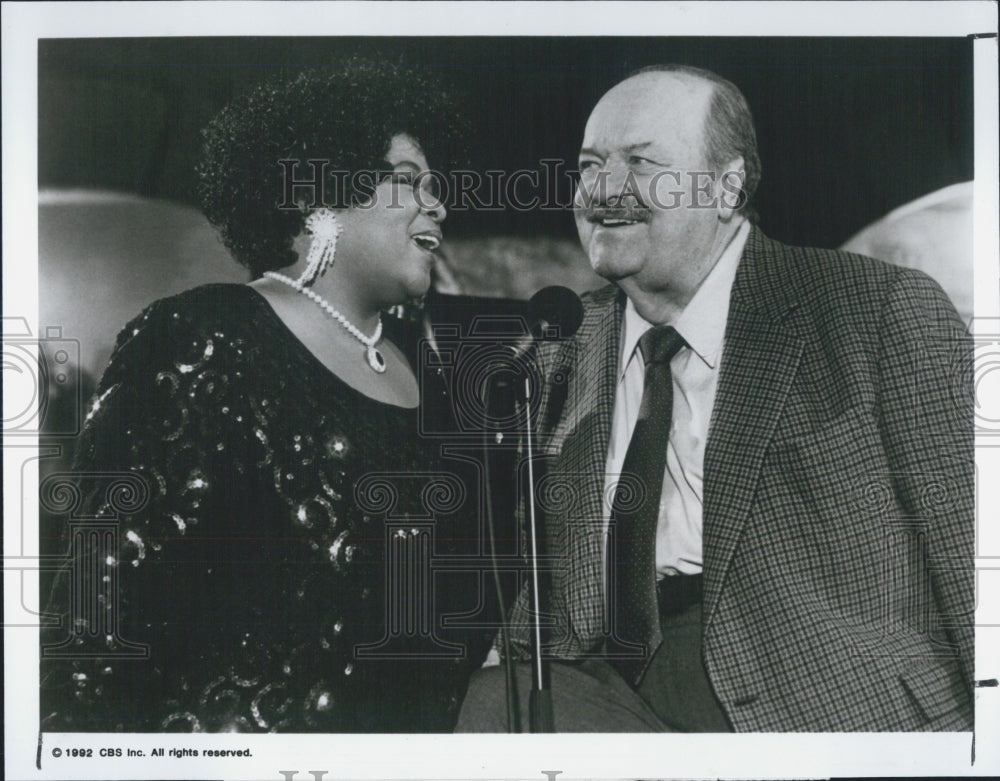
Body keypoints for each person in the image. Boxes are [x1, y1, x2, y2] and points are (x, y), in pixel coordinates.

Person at [457, 64, 974, 732]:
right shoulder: (565, 343)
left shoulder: (874, 311)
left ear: (726, 187)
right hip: (621, 693)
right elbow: (549, 577)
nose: (603, 189)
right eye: (589, 165)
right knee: (492, 707)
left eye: (642, 162)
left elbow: (976, 557)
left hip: (828, 708)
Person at [39, 62, 480, 732]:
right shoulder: (202, 335)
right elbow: (97, 609)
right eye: (409, 181)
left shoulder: (438, 378)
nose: (438, 205)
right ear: (321, 196)